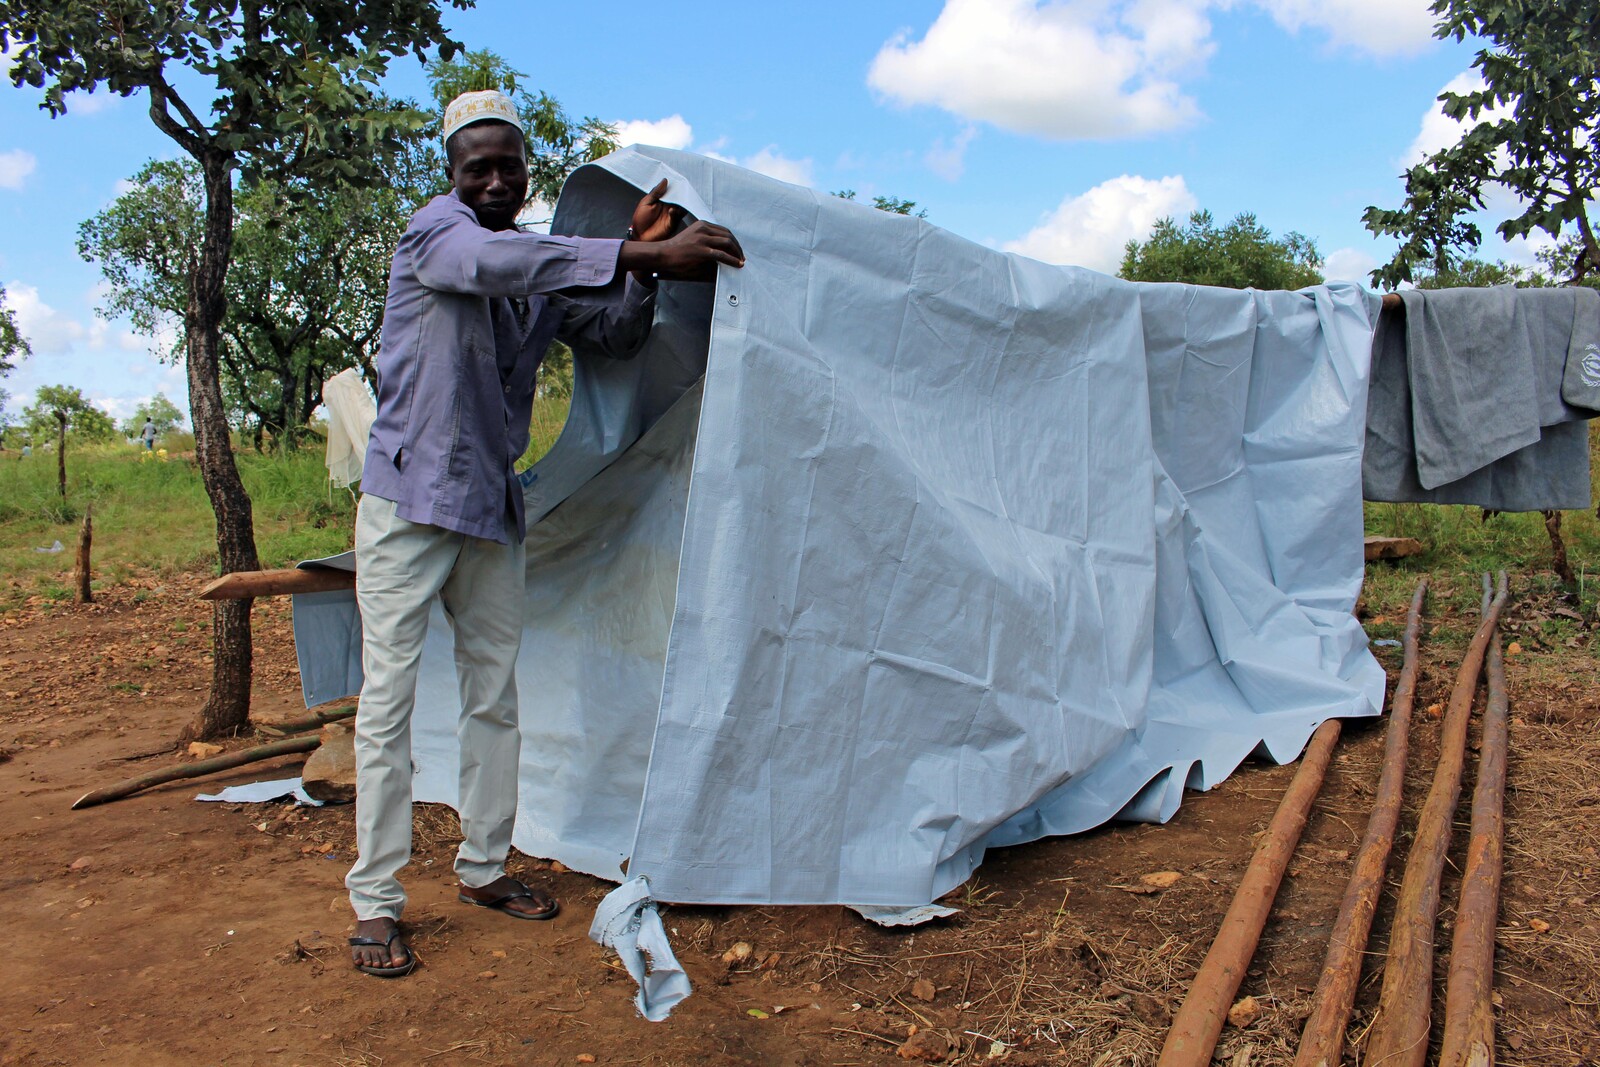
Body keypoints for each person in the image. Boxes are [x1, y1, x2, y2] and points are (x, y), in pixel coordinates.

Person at [346, 89, 743, 978]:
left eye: (507, 165)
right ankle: (375, 903)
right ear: (451, 175)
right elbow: (496, 267)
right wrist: (645, 249)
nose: (492, 178)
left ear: (525, 174)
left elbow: (610, 333)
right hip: (410, 506)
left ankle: (484, 867)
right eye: (474, 165)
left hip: (491, 506)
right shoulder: (437, 236)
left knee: (495, 695)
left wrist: (641, 272)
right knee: (388, 708)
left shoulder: (537, 264)